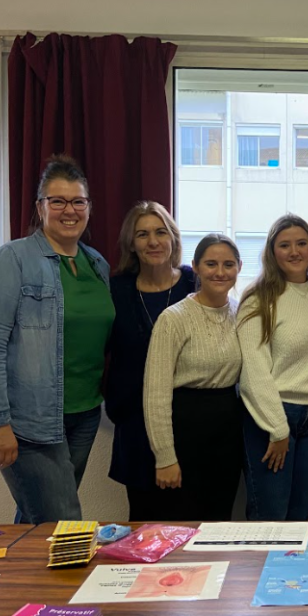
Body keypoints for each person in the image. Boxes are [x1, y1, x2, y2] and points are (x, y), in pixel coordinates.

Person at [0, 155, 114, 523]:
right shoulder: (12, 260)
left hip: (82, 416)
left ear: (88, 207)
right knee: (61, 522)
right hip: (27, 422)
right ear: (40, 206)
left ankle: (15, 580)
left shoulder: (96, 264)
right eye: (58, 201)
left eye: (78, 201)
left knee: (38, 520)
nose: (70, 210)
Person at [237, 214, 308, 521]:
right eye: (284, 245)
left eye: (301, 243)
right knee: (269, 515)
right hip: (272, 418)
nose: (294, 251)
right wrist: (278, 429)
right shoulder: (259, 300)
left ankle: (290, 572)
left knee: (300, 515)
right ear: (272, 252)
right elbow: (254, 373)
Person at [143, 235, 244, 521]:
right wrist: (165, 457)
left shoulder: (242, 313)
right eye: (211, 264)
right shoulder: (173, 319)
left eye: (228, 264)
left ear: (239, 267)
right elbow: (155, 393)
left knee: (220, 518)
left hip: (227, 427)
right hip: (186, 425)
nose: (220, 272)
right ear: (195, 267)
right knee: (184, 518)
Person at [106, 202, 195, 520]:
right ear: (131, 243)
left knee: (193, 521)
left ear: (173, 238)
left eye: (160, 232)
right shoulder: (116, 290)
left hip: (189, 423)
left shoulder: (194, 285)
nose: (153, 242)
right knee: (145, 526)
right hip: (135, 427)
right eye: (142, 234)